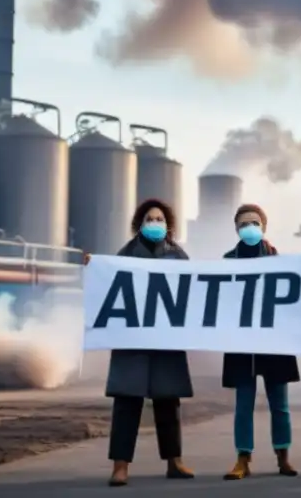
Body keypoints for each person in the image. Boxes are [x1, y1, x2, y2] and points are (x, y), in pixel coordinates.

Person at [83, 198, 195, 487]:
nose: (155, 224)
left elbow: (192, 292)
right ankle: (120, 466)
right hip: (131, 341)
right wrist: (94, 266)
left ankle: (175, 461)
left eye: (160, 219)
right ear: (140, 224)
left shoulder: (178, 257)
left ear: (168, 224)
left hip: (165, 341)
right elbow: (107, 283)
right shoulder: (125, 254)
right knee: (127, 402)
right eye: (150, 219)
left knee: (168, 402)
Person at [221, 203, 300, 480]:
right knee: (243, 404)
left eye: (254, 223)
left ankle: (283, 456)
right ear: (236, 229)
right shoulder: (227, 261)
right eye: (243, 224)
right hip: (242, 344)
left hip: (275, 343)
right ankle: (243, 458)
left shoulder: (280, 262)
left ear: (263, 227)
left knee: (280, 404)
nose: (249, 228)